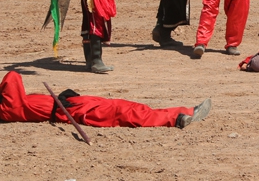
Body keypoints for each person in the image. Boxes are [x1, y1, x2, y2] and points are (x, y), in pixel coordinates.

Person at [0, 71, 210, 129]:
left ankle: (187, 111)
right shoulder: (7, 108)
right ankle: (177, 119)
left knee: (127, 105)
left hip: (76, 103)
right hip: (72, 113)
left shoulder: (9, 102)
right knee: (124, 114)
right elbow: (12, 77)